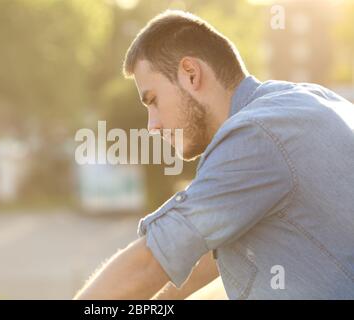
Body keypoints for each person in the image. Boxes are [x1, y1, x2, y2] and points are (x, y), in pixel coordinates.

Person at [74, 10, 354, 299]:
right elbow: (206, 246)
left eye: (153, 100)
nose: (152, 125)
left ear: (191, 74)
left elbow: (148, 263)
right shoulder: (306, 100)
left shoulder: (255, 137)